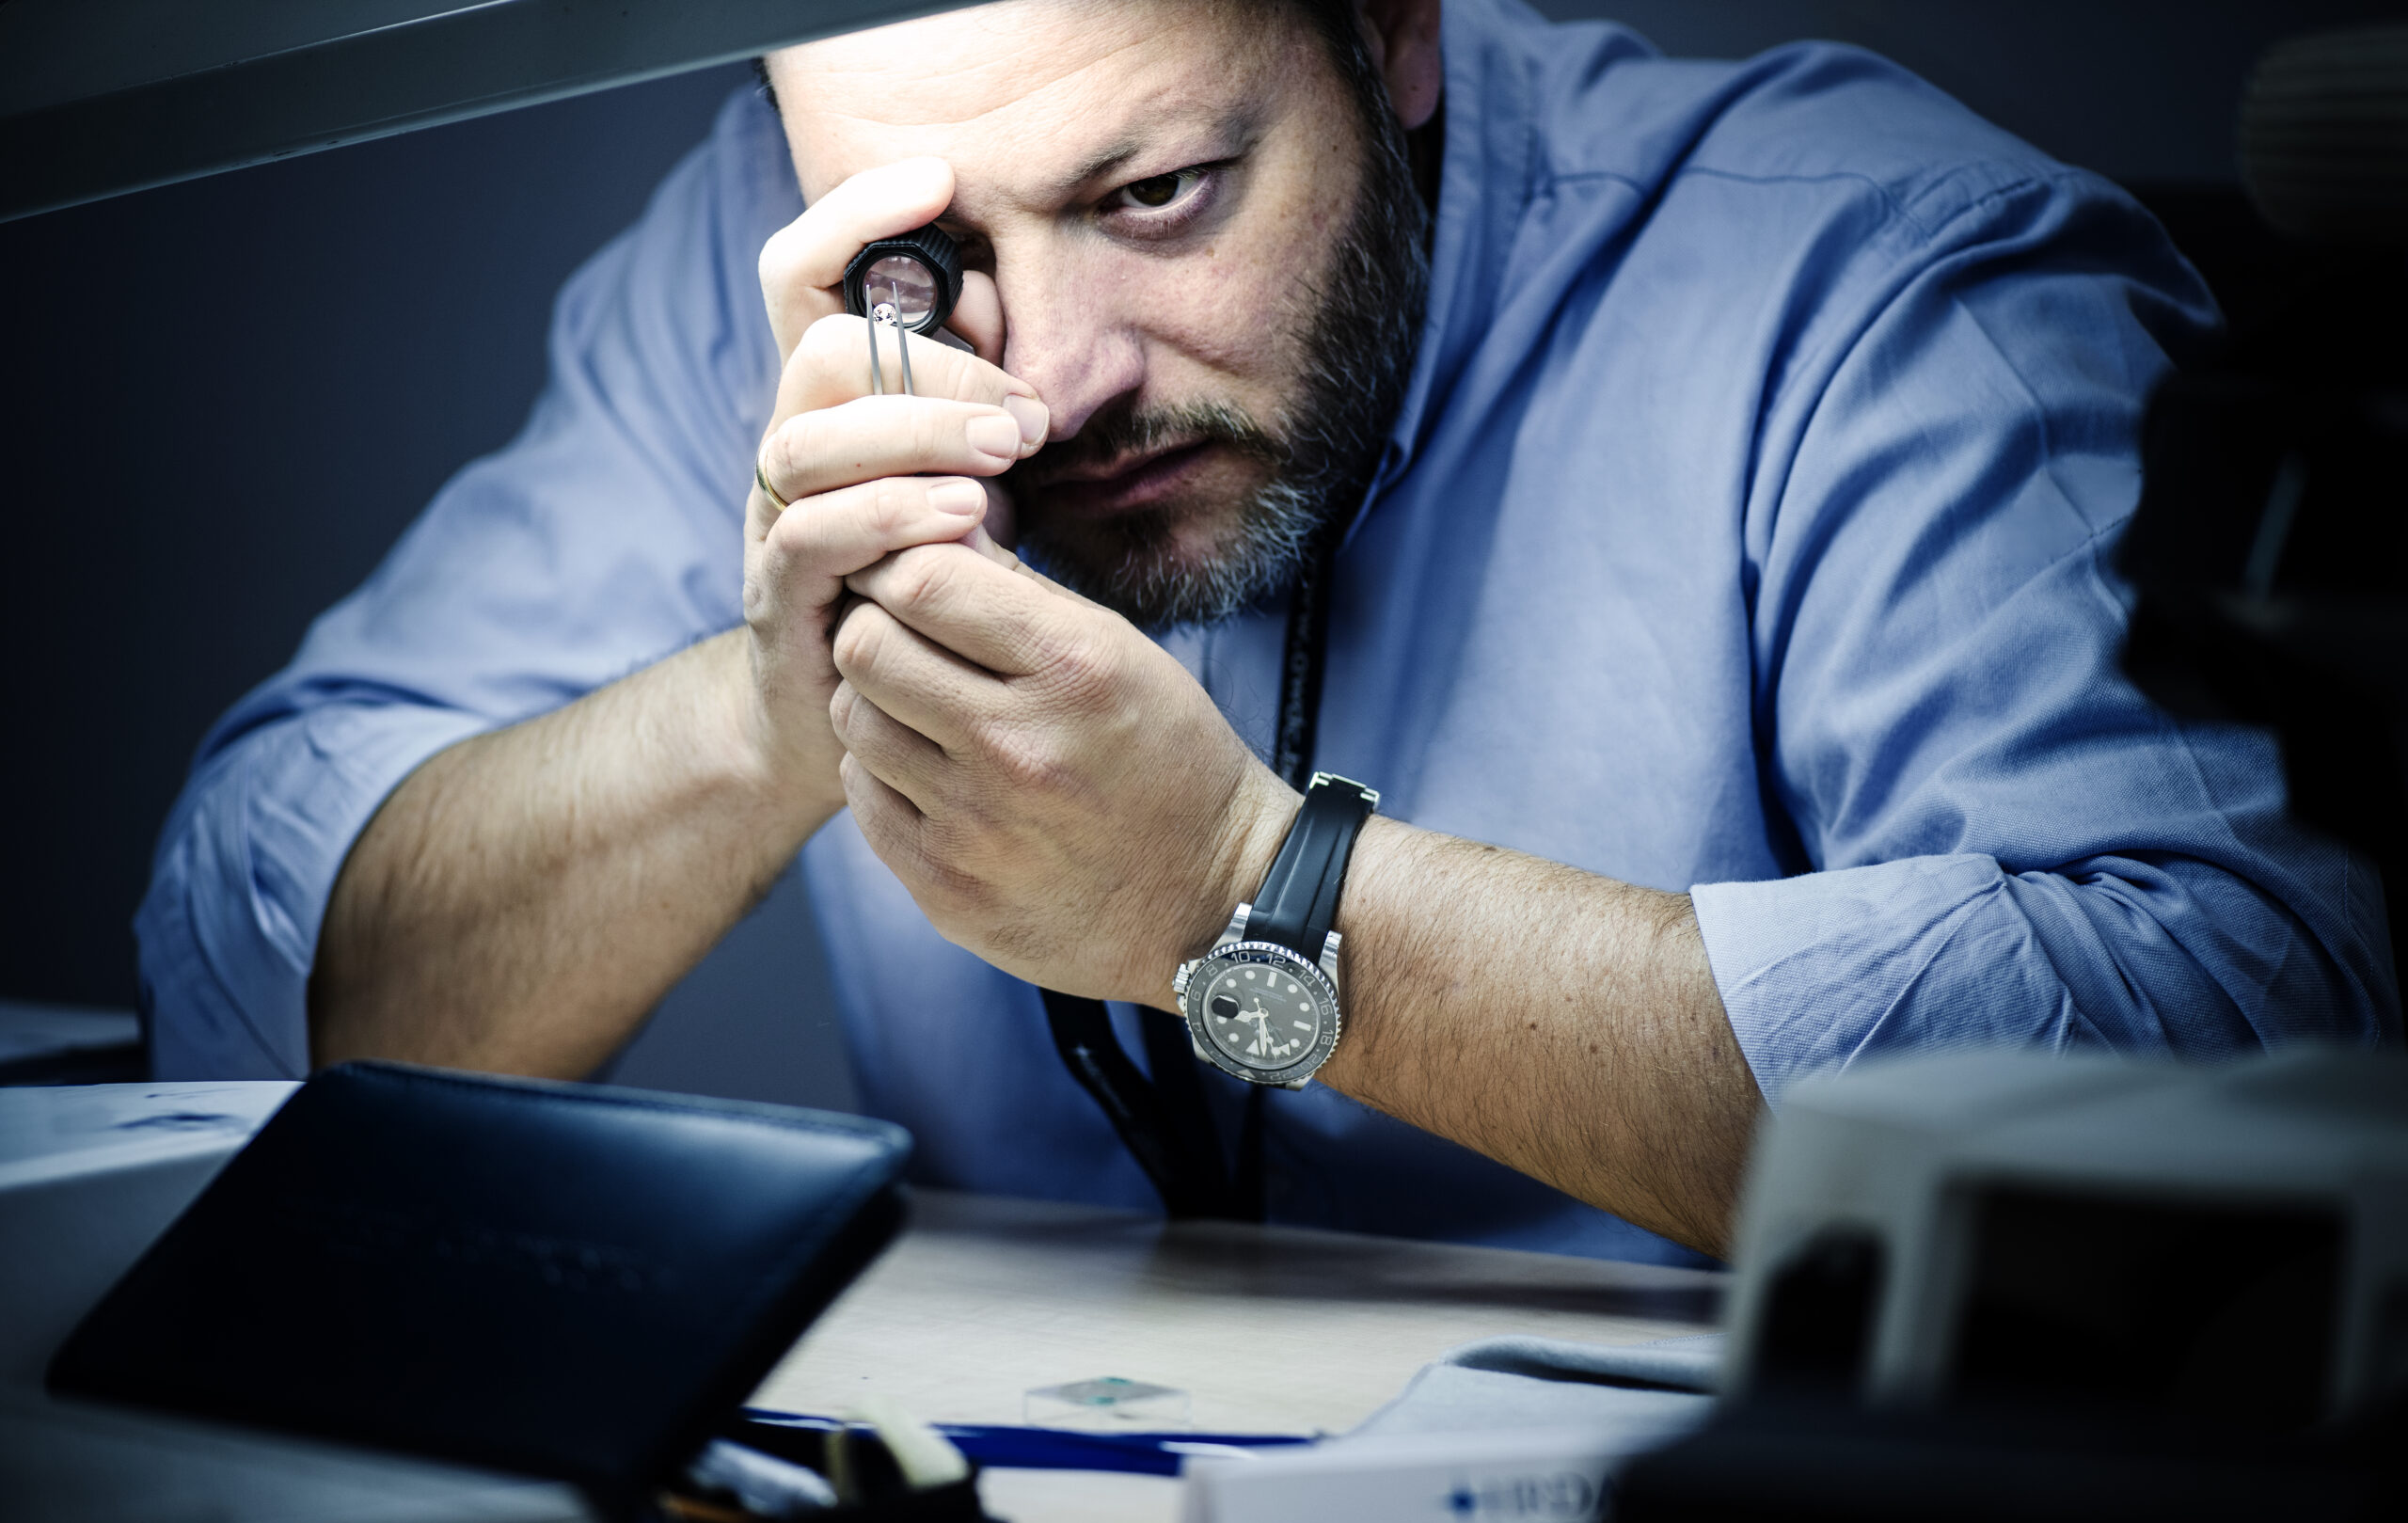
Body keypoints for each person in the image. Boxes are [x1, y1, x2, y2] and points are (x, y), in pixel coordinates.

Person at [137, 0, 2394, 1264]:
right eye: (938, 264)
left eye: (1155, 196)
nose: (1059, 372)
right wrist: (761, 711)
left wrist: (1244, 900)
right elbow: (253, 988)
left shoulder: (1882, 278)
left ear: (1390, 37)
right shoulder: (771, 269)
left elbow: (2240, 1058)